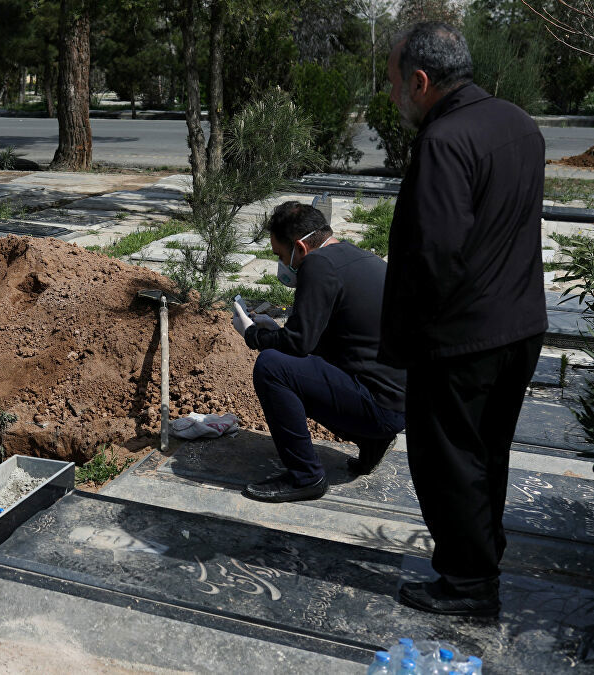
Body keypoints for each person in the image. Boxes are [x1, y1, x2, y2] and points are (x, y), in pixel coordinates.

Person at [380, 23, 547, 618]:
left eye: (395, 83)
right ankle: (483, 557)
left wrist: (406, 340)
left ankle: (468, 584)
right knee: (488, 453)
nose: (393, 95)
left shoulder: (443, 140)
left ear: (421, 81)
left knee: (448, 461)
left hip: (460, 338)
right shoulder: (519, 124)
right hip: (520, 326)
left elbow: (434, 254)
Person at [232, 202, 407, 503]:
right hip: (400, 402)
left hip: (380, 406)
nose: (281, 263)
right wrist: (275, 331)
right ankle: (371, 441)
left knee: (272, 366)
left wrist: (252, 334)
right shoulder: (356, 256)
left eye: (280, 255)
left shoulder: (317, 264)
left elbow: (298, 346)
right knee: (299, 361)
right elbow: (317, 339)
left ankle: (305, 477)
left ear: (300, 247)